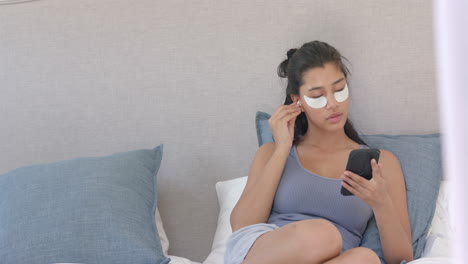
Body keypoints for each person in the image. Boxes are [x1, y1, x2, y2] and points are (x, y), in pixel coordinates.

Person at [224, 40, 414, 264]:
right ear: (298, 101)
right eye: (317, 96)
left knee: (366, 259)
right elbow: (241, 226)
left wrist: (381, 203)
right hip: (269, 254)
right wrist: (282, 149)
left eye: (339, 89)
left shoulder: (382, 163)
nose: (333, 103)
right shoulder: (272, 152)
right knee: (323, 234)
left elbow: (401, 258)